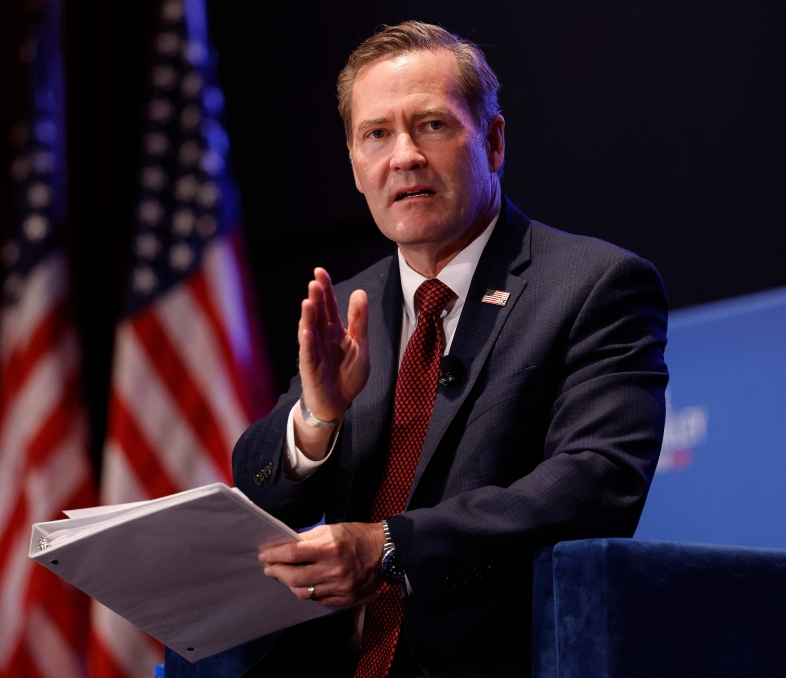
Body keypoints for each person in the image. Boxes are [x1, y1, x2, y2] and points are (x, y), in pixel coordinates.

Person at [232, 20, 668, 678]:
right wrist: (317, 416)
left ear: (492, 142)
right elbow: (260, 492)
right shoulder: (345, 308)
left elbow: (597, 481)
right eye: (377, 135)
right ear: (355, 166)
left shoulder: (592, 286)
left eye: (432, 125)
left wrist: (390, 546)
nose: (404, 156)